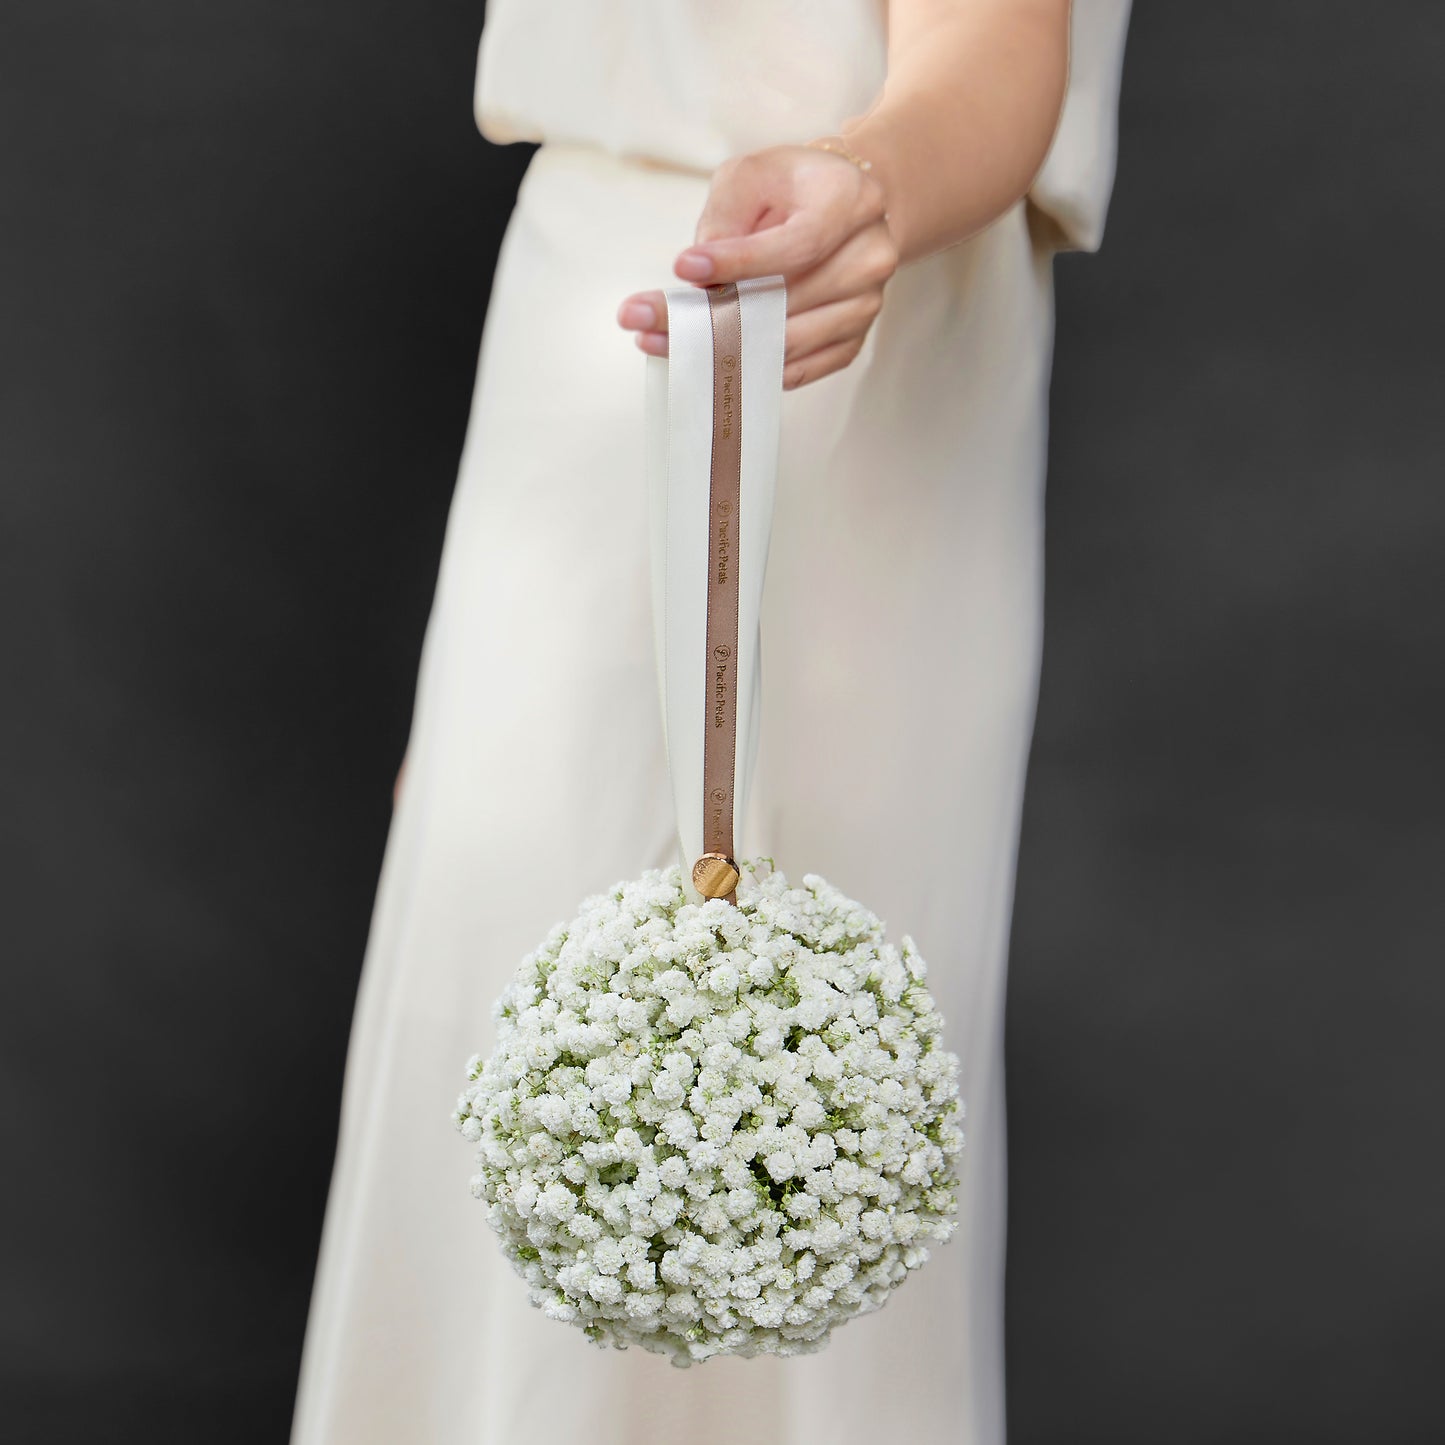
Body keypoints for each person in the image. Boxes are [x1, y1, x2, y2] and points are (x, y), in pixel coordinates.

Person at [288, 2, 1131, 1442]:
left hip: (827, 311)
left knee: (793, 1089)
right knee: (502, 1017)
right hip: (588, 307)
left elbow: (997, 53)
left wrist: (866, 186)